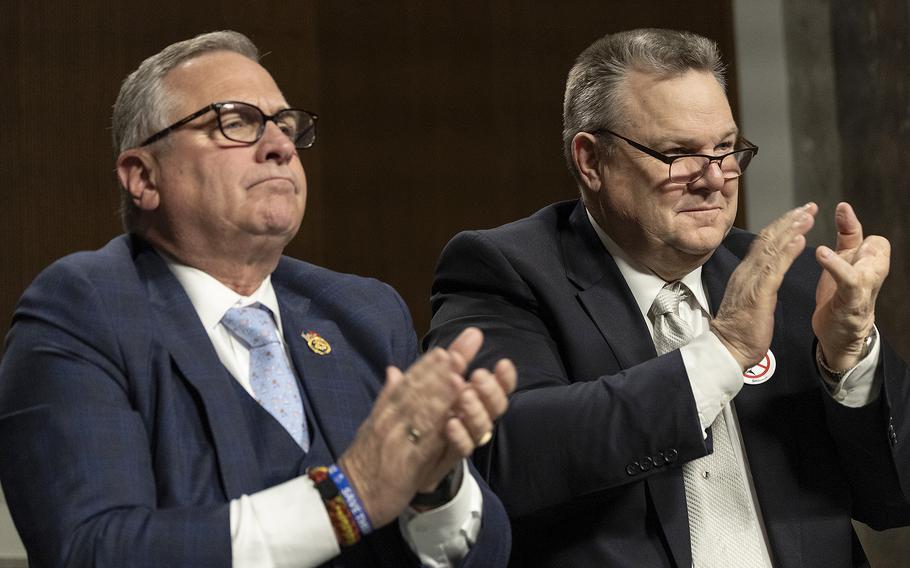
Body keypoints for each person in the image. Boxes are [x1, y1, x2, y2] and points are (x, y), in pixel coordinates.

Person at [0, 30, 516, 568]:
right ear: (143, 177)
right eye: (236, 122)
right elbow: (91, 551)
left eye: (287, 126)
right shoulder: (85, 309)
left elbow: (488, 554)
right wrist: (350, 496)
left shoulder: (362, 314)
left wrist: (434, 487)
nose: (281, 146)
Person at [425, 28, 910, 567]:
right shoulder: (507, 271)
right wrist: (720, 353)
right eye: (679, 154)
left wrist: (849, 362)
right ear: (591, 160)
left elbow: (895, 498)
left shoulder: (789, 279)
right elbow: (504, 454)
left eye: (725, 150)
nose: (714, 180)